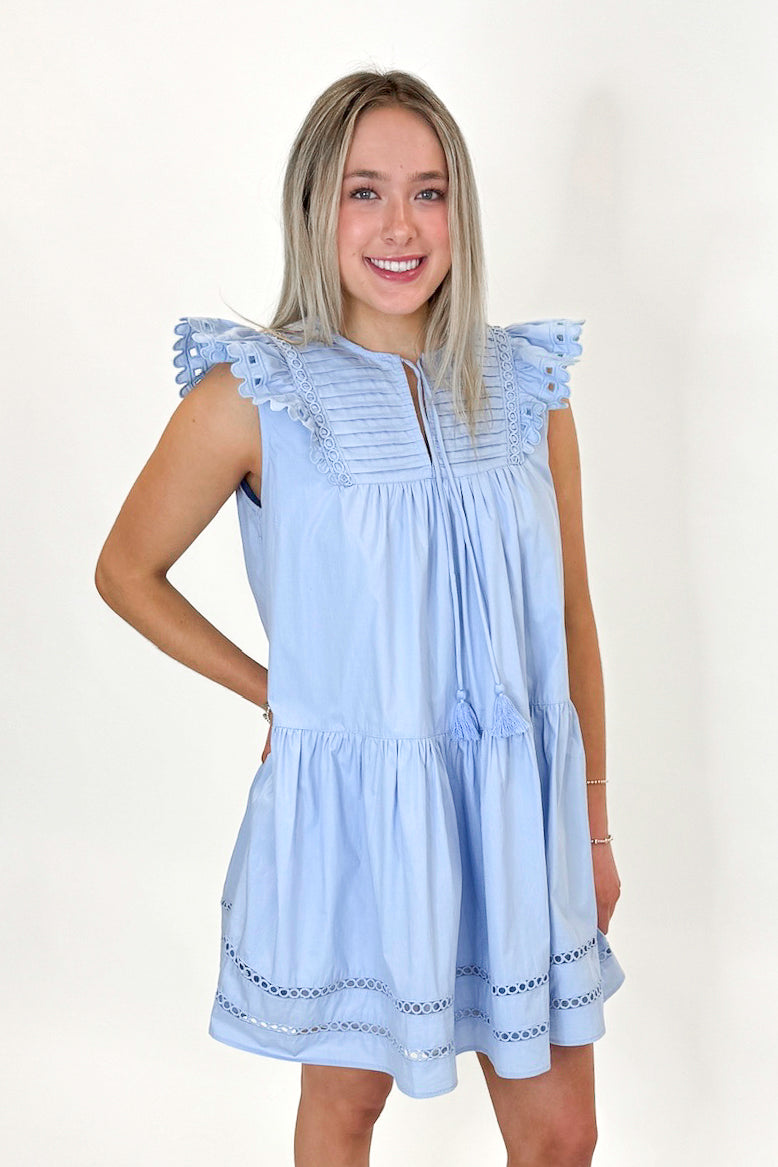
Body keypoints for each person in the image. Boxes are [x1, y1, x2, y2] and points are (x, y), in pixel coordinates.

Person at [95, 68, 625, 1167]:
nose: (399, 226)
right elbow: (127, 570)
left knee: (560, 1133)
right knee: (348, 1109)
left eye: (428, 193)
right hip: (361, 826)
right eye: (363, 191)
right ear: (314, 208)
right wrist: (274, 691)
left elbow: (571, 618)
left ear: (458, 213)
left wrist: (594, 827)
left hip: (517, 813)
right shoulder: (255, 395)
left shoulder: (526, 388)